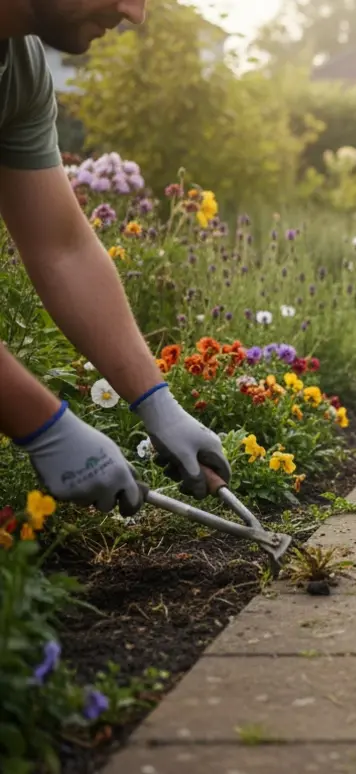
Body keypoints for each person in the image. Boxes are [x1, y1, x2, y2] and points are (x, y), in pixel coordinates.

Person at [0, 0, 231, 516]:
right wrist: (45, 426)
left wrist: (158, 405)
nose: (135, 13)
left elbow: (62, 249)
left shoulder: (20, 66)